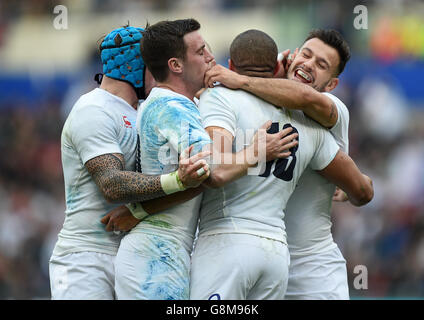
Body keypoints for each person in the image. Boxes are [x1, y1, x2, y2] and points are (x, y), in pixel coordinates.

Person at [112, 19, 297, 300]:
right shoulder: (173, 107)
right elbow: (210, 171)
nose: (211, 57)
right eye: (201, 52)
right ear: (176, 65)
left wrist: (276, 71)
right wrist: (258, 150)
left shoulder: (181, 103)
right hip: (155, 257)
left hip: (164, 249)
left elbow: (191, 182)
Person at [189, 29, 373, 300]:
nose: (309, 64)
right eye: (306, 55)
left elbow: (305, 98)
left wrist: (239, 79)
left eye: (321, 65)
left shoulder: (330, 110)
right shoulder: (262, 102)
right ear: (290, 58)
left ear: (331, 85)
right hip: (274, 257)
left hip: (312, 266)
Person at [49, 25, 210, 300]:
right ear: (135, 66)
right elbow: (111, 184)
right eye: (152, 64)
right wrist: (179, 180)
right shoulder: (94, 110)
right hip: (86, 259)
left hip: (131, 252)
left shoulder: (144, 111)